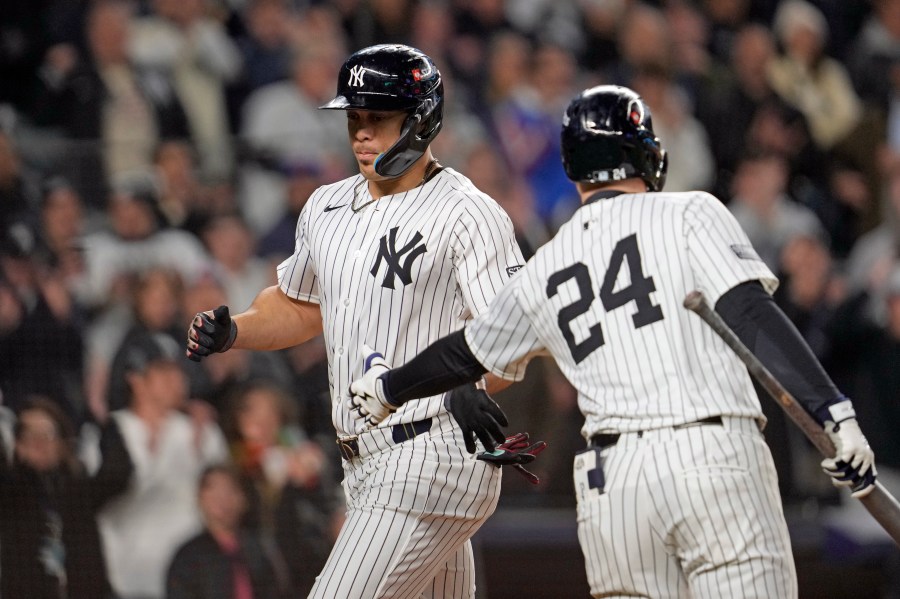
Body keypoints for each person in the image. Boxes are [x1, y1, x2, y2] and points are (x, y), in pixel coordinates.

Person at [348, 85, 879, 598]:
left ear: (574, 170)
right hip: (710, 455)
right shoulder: (689, 211)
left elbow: (464, 353)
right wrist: (834, 413)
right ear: (646, 154)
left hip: (614, 486)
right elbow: (751, 315)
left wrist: (389, 387)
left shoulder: (547, 263)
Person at [186, 44, 529, 598]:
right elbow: (300, 304)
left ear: (421, 121)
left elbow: (514, 335)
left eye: (378, 118)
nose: (361, 134)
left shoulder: (469, 212)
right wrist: (237, 330)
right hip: (364, 464)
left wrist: (474, 381)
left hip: (435, 451)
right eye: (355, 118)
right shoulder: (325, 205)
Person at [166, 465, 280, 599]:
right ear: (200, 499)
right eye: (214, 492)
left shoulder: (258, 549)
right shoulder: (188, 557)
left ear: (243, 498)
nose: (223, 499)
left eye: (229, 490)